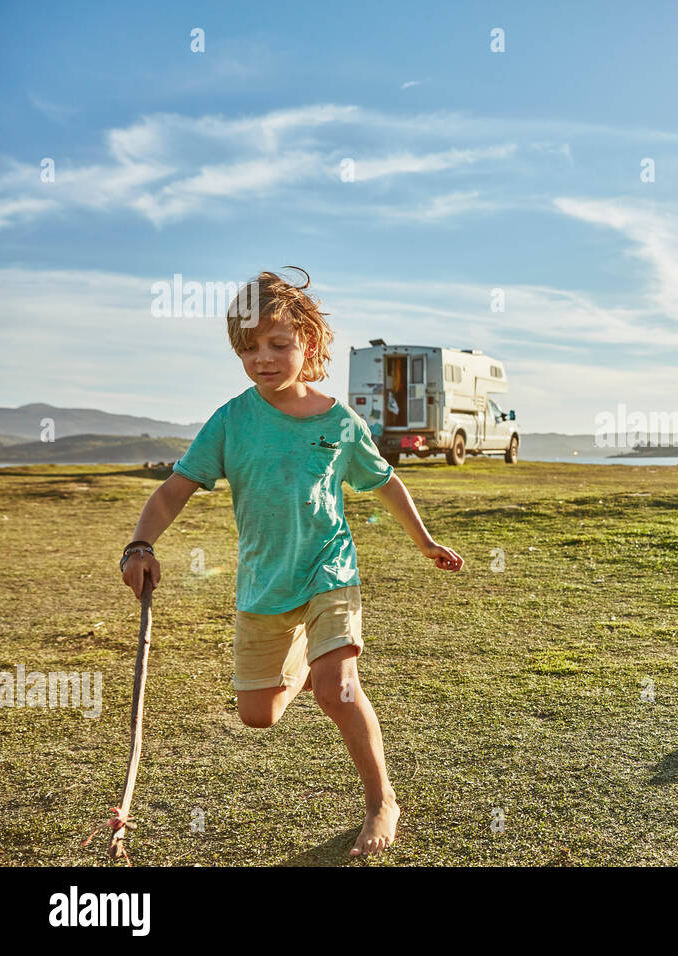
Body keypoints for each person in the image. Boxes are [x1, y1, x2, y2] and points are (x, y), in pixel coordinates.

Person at [120, 267, 463, 854]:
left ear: (308, 339)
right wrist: (139, 545)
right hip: (263, 584)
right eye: (248, 348)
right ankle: (310, 659)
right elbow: (173, 490)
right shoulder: (232, 420)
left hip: (329, 571)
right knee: (260, 715)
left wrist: (425, 541)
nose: (263, 359)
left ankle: (382, 801)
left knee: (338, 691)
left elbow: (385, 483)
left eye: (278, 344)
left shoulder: (337, 422)